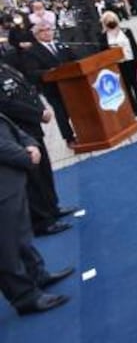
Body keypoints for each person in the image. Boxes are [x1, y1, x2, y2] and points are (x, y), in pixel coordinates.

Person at [0, 113, 74, 315]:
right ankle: (24, 297)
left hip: (12, 180)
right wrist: (26, 156)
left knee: (22, 235)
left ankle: (37, 275)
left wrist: (31, 143)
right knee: (6, 246)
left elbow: (11, 126)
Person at [0, 62, 79, 236]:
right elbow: (6, 104)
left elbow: (28, 90)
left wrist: (42, 108)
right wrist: (38, 114)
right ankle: (42, 222)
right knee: (34, 179)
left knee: (44, 171)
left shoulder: (5, 66)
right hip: (19, 129)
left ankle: (52, 208)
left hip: (32, 128)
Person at [19, 22, 77, 147]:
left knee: (76, 109)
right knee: (61, 112)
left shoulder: (61, 45)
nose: (47, 32)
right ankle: (69, 138)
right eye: (43, 30)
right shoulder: (32, 51)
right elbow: (32, 72)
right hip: (52, 88)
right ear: (36, 35)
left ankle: (84, 131)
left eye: (49, 29)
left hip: (72, 85)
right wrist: (51, 72)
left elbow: (74, 60)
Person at [98, 11, 137, 117]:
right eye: (108, 21)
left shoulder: (126, 31)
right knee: (126, 87)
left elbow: (134, 45)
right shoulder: (103, 37)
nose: (111, 22)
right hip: (118, 65)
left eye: (112, 20)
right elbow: (103, 52)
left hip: (131, 61)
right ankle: (133, 108)